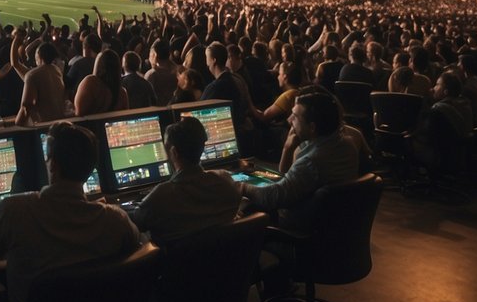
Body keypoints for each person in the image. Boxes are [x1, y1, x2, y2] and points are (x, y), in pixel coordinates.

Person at [0, 122, 140, 302]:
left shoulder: (14, 209)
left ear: (53, 164)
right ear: (92, 166)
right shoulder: (115, 219)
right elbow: (138, 249)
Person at [237, 89, 359, 232]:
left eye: (295, 116)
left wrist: (241, 186)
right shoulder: (348, 144)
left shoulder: (311, 162)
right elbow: (286, 177)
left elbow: (273, 197)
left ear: (312, 127)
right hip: (333, 227)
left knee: (244, 208)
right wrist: (287, 149)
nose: (289, 120)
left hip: (297, 232)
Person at [132, 116, 240, 243]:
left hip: (175, 262)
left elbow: (136, 221)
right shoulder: (226, 182)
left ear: (174, 152)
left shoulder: (161, 196)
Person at [15, 39, 66, 125]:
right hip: (59, 123)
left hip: (43, 127)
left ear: (39, 56)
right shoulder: (57, 71)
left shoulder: (32, 75)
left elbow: (26, 106)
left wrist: (16, 126)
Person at [72, 49, 128, 116]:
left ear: (98, 65)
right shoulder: (122, 93)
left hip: (89, 126)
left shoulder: (90, 82)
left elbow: (79, 113)